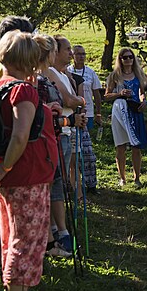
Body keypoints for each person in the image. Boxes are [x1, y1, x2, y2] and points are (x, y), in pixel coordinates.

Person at [0, 30, 57, 291]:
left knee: (12, 235)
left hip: (13, 173)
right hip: (24, 174)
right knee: (26, 241)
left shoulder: (1, 85)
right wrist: (6, 167)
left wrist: (2, 168)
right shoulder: (22, 90)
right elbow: (20, 136)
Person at [43, 34, 86, 251]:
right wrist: (80, 101)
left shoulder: (63, 73)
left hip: (66, 130)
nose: (71, 53)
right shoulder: (49, 73)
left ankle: (58, 230)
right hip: (59, 132)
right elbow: (70, 100)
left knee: (60, 181)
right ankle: (57, 232)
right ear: (54, 52)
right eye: (67, 49)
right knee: (55, 181)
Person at [104, 47, 147, 188]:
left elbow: (142, 92)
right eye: (125, 57)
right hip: (120, 110)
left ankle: (137, 178)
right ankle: (122, 178)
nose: (128, 60)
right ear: (120, 59)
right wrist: (120, 93)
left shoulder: (139, 74)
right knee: (120, 146)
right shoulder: (115, 75)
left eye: (130, 57)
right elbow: (106, 95)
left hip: (135, 110)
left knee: (136, 146)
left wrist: (144, 101)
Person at [68, 44, 101, 195]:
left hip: (87, 115)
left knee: (88, 153)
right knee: (73, 153)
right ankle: (73, 185)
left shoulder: (90, 72)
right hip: (71, 116)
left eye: (83, 54)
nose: (81, 56)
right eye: (78, 54)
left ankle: (91, 184)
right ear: (72, 55)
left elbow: (97, 93)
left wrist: (98, 113)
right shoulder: (66, 72)